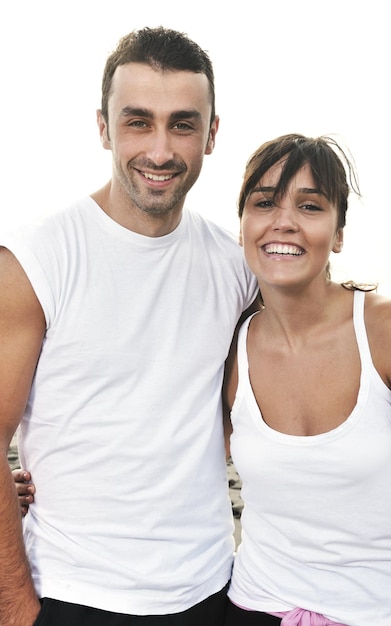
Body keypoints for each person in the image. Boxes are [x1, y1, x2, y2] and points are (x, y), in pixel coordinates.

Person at [0, 27, 258, 626]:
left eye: (183, 124)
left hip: (210, 591)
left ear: (212, 133)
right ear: (103, 127)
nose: (161, 150)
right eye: (138, 121)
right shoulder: (37, 260)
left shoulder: (234, 268)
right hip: (70, 596)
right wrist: (16, 611)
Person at [221, 134, 391, 625]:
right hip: (256, 608)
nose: (283, 221)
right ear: (243, 226)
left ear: (338, 233)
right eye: (264, 203)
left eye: (310, 206)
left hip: (386, 612)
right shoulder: (228, 349)